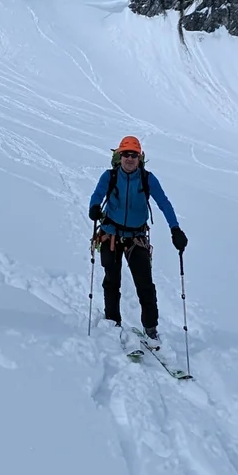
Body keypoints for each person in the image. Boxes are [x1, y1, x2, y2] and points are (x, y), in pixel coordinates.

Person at [88, 136, 186, 338]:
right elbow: (97, 195)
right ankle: (113, 322)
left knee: (145, 285)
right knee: (111, 281)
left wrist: (175, 229)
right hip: (110, 234)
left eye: (134, 155)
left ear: (139, 158)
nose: (130, 159)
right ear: (120, 156)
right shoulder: (110, 176)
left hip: (136, 237)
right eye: (126, 154)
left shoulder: (147, 179)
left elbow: (164, 203)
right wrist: (94, 207)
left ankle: (151, 329)